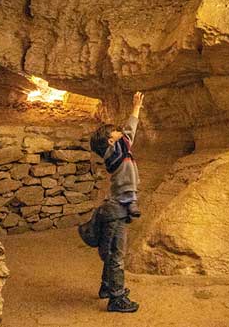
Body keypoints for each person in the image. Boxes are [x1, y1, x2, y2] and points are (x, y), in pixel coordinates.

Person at [88, 91, 144, 313]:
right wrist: (123, 125)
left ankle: (106, 287)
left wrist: (136, 107)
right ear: (111, 142)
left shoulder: (122, 150)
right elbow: (125, 132)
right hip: (116, 209)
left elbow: (130, 130)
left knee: (112, 251)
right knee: (117, 255)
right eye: (115, 132)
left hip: (116, 206)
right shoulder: (112, 153)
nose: (120, 132)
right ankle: (116, 298)